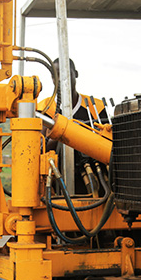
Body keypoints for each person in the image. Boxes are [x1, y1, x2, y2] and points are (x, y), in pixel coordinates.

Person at [38, 58, 109, 194]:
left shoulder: (96, 108)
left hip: (97, 184)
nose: (61, 79)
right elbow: (40, 149)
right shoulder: (45, 109)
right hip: (58, 186)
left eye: (65, 74)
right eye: (56, 75)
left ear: (75, 74)